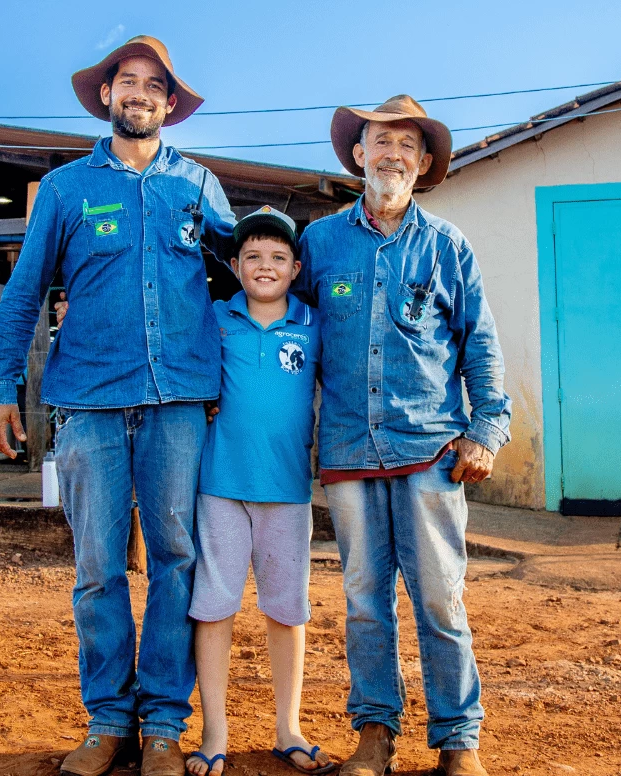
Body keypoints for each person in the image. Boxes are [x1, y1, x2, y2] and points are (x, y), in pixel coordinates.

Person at [0, 35, 235, 776]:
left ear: (169, 105)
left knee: (175, 560)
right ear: (106, 96)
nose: (141, 94)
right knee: (98, 567)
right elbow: (26, 290)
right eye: (129, 82)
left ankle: (162, 721)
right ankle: (107, 718)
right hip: (88, 402)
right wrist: (1, 387)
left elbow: (248, 266)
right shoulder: (65, 189)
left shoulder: (198, 186)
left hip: (180, 400)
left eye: (155, 86)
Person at [294, 96, 511, 776]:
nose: (392, 154)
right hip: (349, 454)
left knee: (441, 599)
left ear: (423, 163)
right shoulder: (319, 245)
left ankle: (458, 742)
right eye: (380, 141)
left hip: (431, 453)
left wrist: (486, 429)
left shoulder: (448, 247)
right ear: (358, 155)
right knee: (364, 602)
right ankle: (374, 737)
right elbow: (291, 341)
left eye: (407, 145)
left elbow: (481, 345)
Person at [186, 208, 336, 776]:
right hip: (220, 487)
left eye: (277, 257)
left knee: (287, 610)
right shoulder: (215, 319)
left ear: (296, 267)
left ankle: (288, 727)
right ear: (234, 264)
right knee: (215, 607)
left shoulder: (314, 324)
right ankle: (214, 732)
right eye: (252, 256)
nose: (265, 266)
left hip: (288, 492)